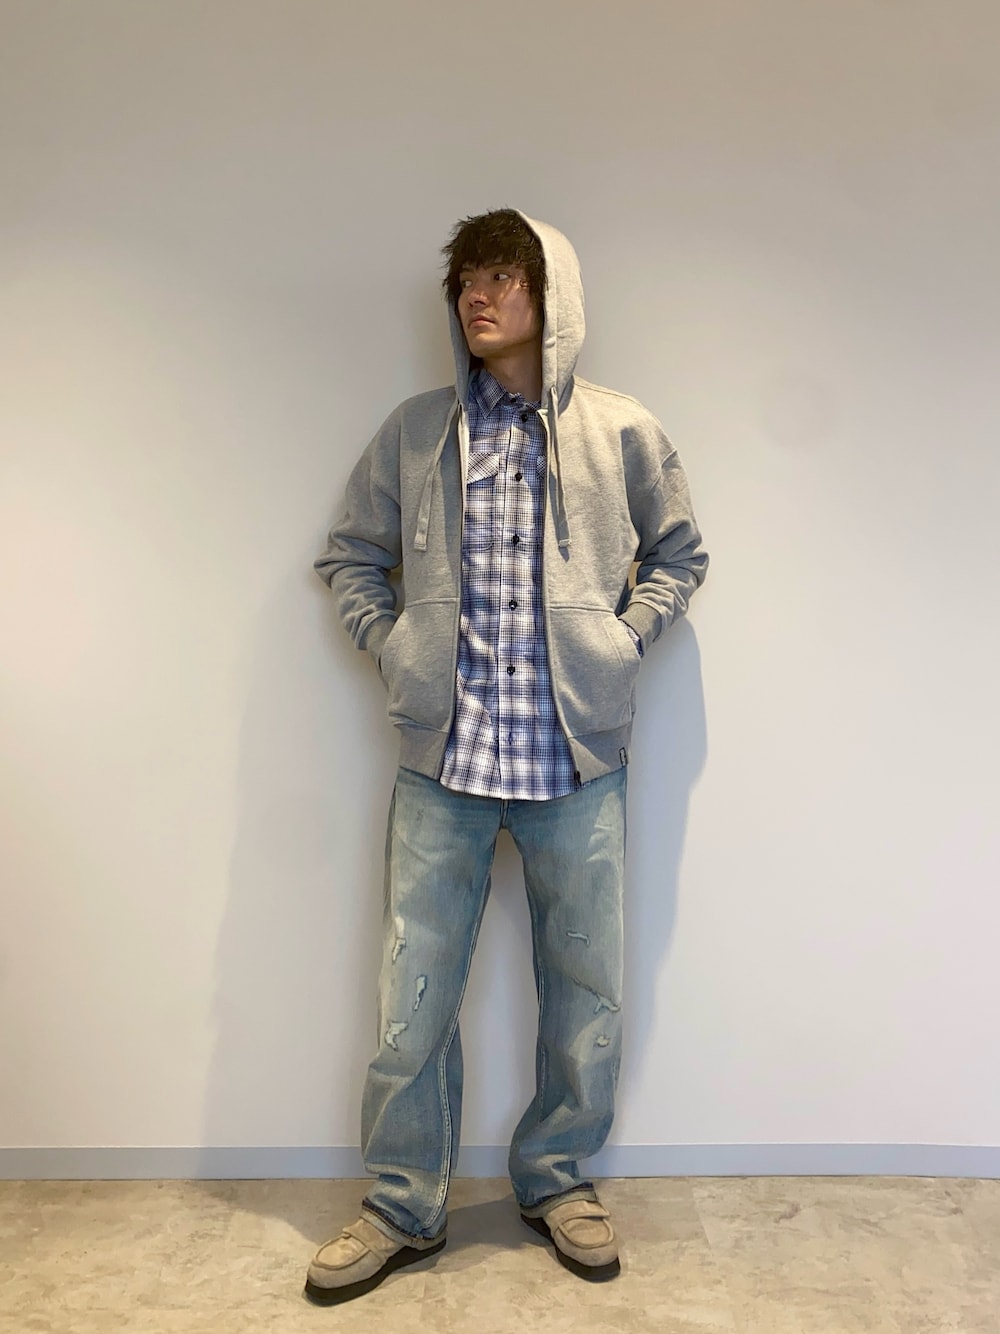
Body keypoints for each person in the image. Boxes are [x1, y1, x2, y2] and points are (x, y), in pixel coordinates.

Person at [307, 209, 707, 1305]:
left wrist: (623, 638)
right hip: (443, 765)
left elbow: (679, 552)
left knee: (586, 992)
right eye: (466, 280)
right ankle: (402, 1202)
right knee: (411, 998)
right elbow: (348, 555)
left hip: (574, 764)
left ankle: (557, 1179)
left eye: (500, 276)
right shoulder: (417, 431)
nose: (477, 296)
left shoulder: (619, 430)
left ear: (550, 294)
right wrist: (392, 644)